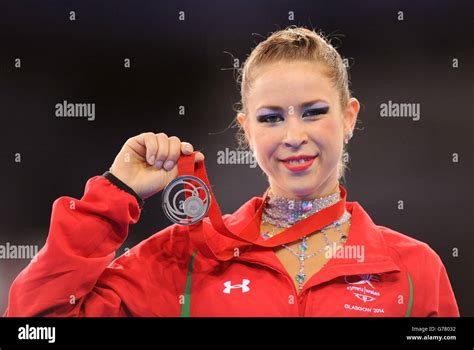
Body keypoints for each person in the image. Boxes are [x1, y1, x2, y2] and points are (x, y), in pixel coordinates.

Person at [4, 26, 459, 317]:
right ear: (246, 130)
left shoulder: (414, 270)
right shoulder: (183, 261)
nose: (293, 135)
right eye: (271, 117)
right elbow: (33, 326)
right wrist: (113, 195)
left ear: (349, 117)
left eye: (314, 112)